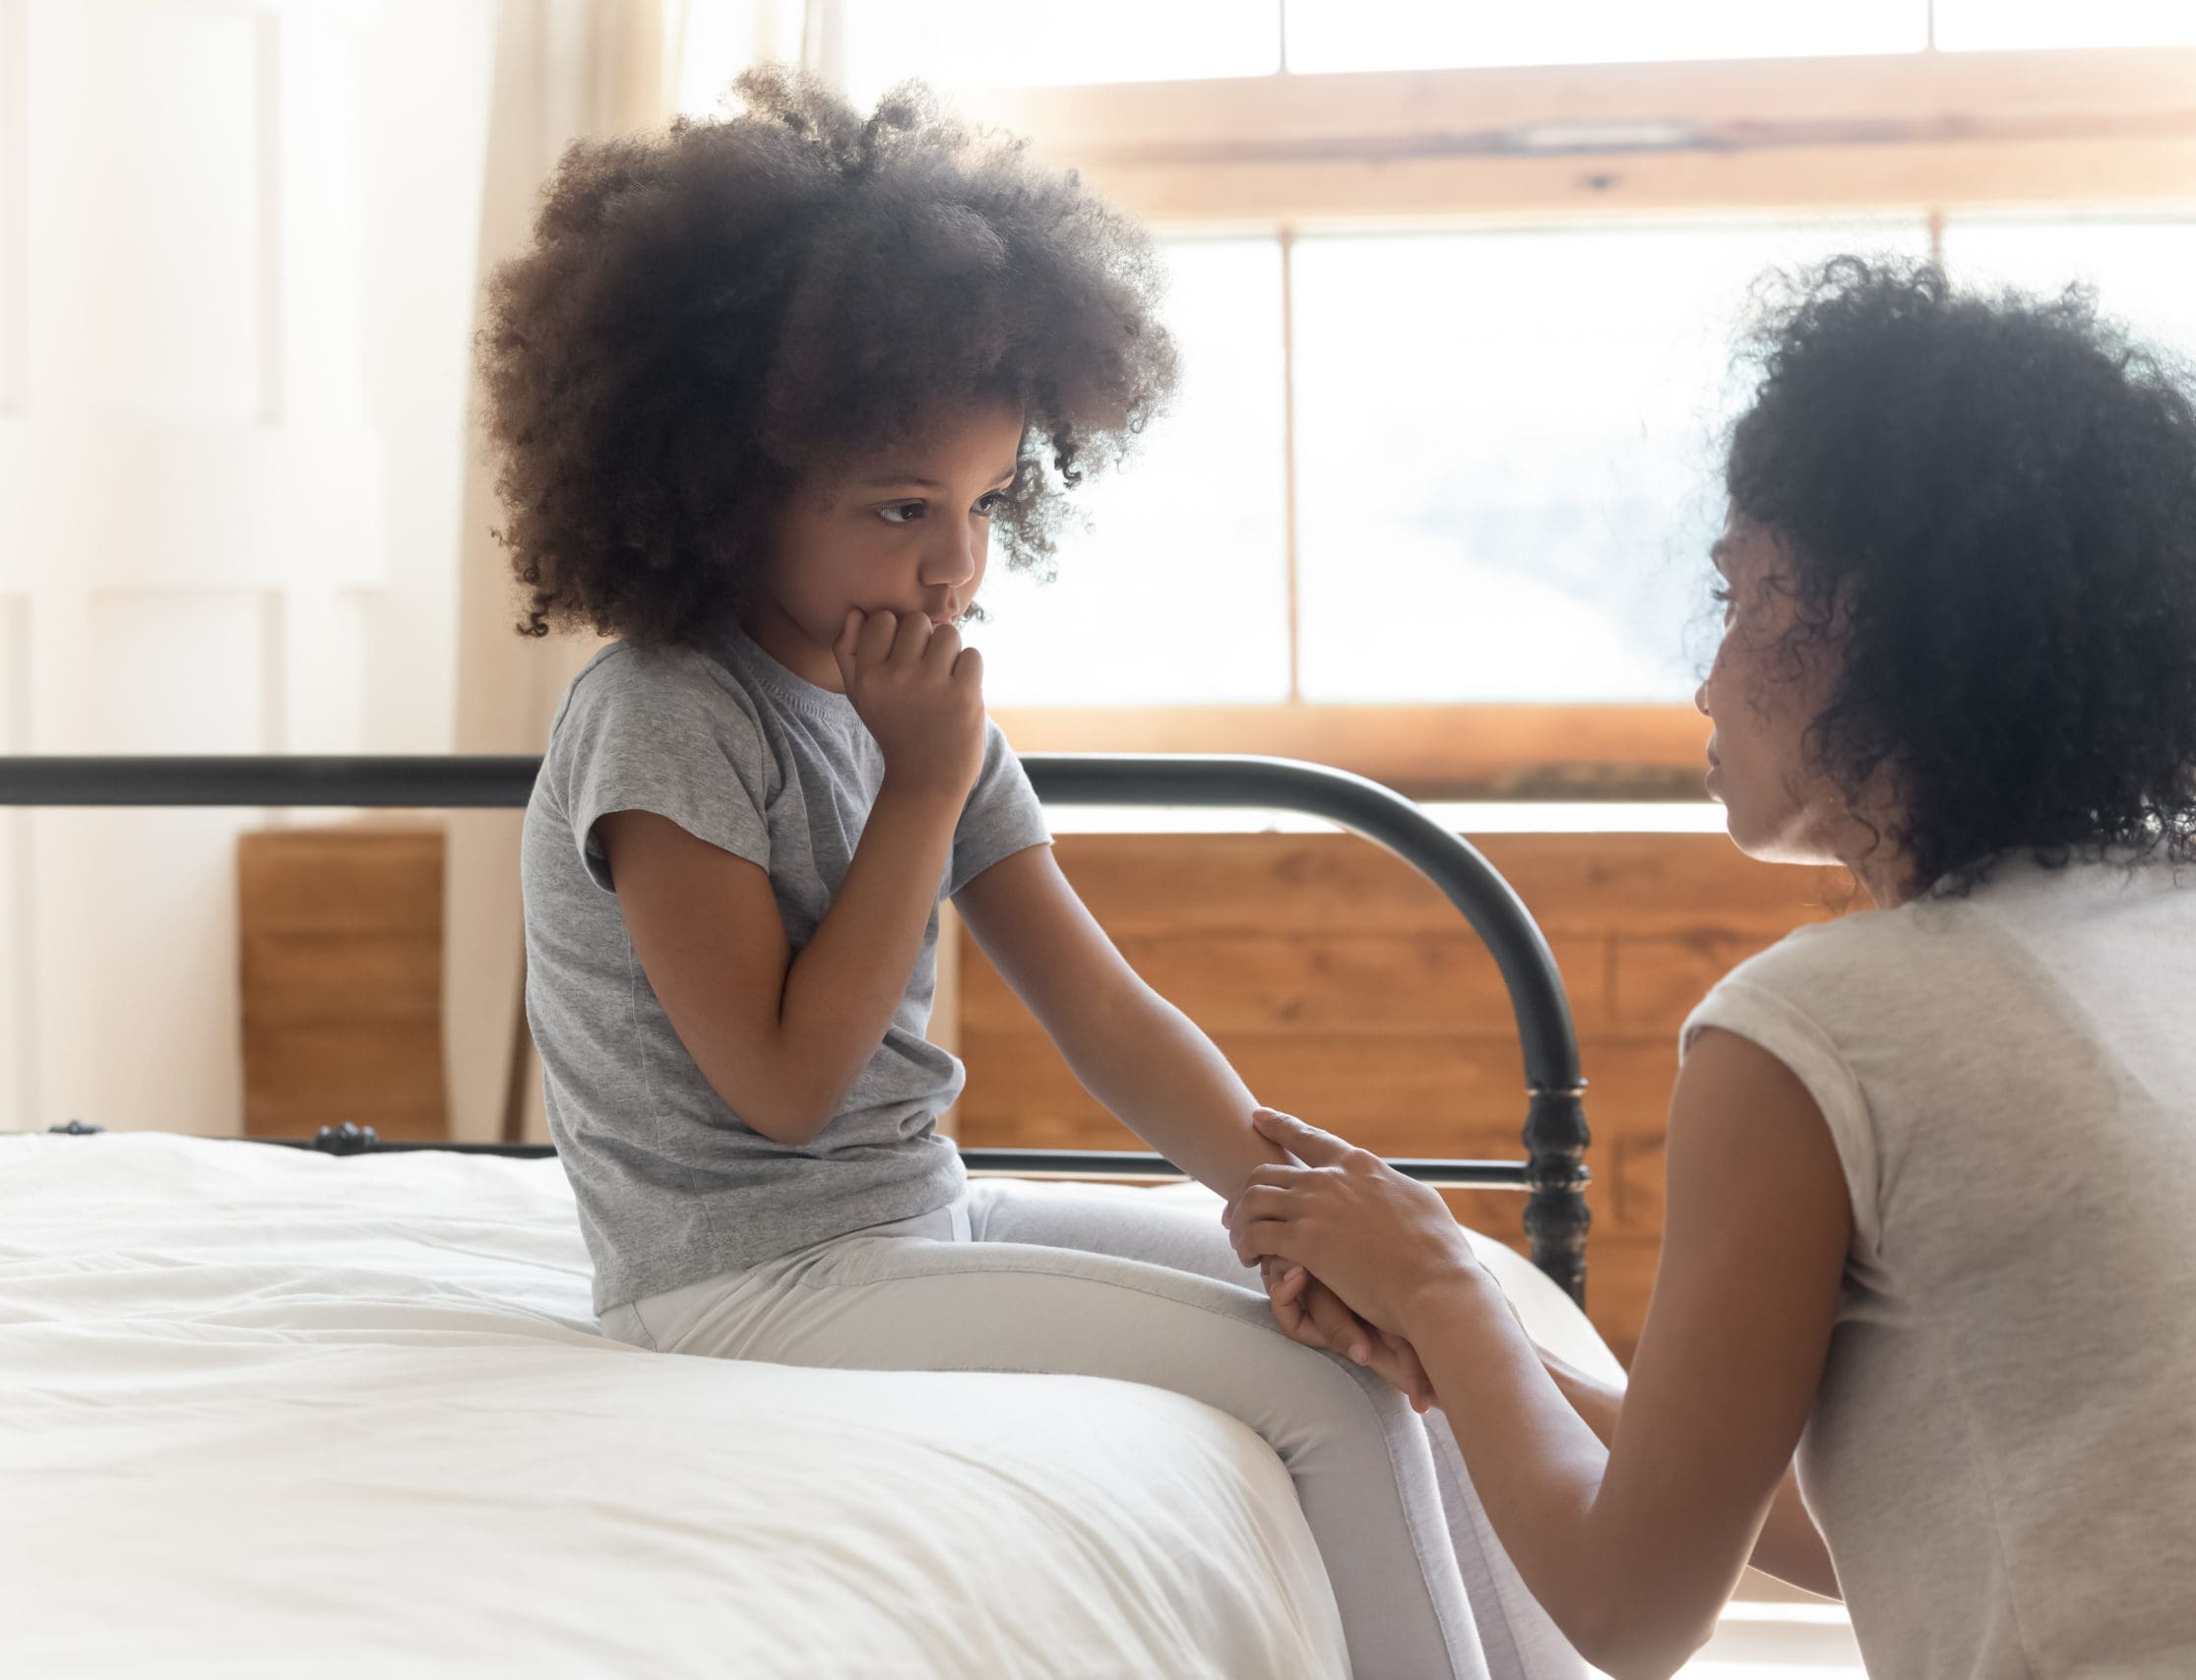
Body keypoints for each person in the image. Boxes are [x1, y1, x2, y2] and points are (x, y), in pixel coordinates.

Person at [1225, 257, 2196, 1680]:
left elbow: (1632, 1611)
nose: (1706, 677)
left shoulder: (1812, 1028)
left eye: (1740, 595)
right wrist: (1477, 1360)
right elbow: (1979, 1507)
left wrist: (1447, 1286)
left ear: (1878, 630)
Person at [490, 68, 1579, 1680]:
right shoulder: (667, 719)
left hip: (909, 1217)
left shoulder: (918, 696)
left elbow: (1104, 1007)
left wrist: (1285, 1201)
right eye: (901, 508)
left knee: (1425, 1306)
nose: (956, 561)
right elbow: (787, 1086)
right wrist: (917, 791)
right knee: (1317, 1388)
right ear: (725, 493)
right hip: (733, 1284)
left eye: (988, 502)